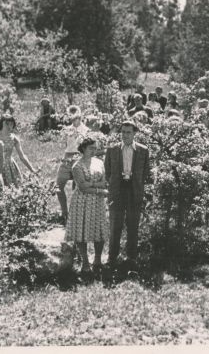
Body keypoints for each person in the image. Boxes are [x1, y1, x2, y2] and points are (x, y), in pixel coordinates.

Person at [105, 121, 151, 269]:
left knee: (133, 225)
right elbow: (107, 171)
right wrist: (113, 184)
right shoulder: (112, 149)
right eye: (123, 132)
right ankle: (112, 257)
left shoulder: (143, 150)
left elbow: (146, 172)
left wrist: (137, 184)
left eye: (128, 132)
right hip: (117, 191)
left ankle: (131, 257)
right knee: (115, 225)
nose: (125, 135)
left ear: (134, 133)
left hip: (134, 191)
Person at [66, 136, 109, 273]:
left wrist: (91, 184)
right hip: (82, 202)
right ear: (83, 149)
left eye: (95, 149)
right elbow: (82, 187)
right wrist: (98, 189)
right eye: (91, 148)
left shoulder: (99, 162)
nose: (94, 151)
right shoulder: (77, 166)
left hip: (97, 201)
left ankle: (97, 260)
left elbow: (104, 182)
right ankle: (85, 262)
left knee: (100, 229)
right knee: (82, 231)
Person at [55, 106, 89, 224]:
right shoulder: (67, 129)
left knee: (77, 188)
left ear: (80, 116)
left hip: (79, 158)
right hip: (67, 158)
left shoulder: (86, 130)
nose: (74, 117)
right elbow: (66, 145)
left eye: (76, 115)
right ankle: (64, 212)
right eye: (72, 115)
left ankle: (75, 215)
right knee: (58, 186)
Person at [0, 114, 36, 186]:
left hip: (9, 166)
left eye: (11, 124)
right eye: (6, 124)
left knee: (12, 188)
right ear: (1, 124)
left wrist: (32, 169)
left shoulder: (14, 138)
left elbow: (22, 156)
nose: (9, 126)